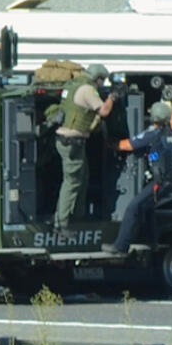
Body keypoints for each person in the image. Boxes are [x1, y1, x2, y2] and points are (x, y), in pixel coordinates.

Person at [105, 101, 172, 254]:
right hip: (170, 182)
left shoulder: (152, 134)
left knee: (133, 207)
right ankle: (152, 243)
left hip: (158, 183)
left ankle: (120, 246)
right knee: (147, 208)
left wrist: (109, 142)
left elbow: (127, 146)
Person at [54, 63, 115, 232]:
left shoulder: (74, 84)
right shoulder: (88, 89)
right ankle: (62, 224)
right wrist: (112, 97)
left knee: (82, 177)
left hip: (67, 140)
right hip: (72, 141)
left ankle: (76, 216)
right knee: (72, 182)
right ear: (98, 79)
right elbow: (103, 111)